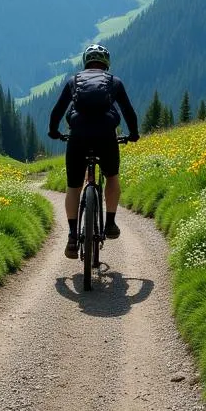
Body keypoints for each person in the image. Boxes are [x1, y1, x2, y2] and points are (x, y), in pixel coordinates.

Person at [47, 43, 139, 259]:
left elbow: (57, 111)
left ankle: (71, 236)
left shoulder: (74, 81)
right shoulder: (114, 82)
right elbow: (128, 112)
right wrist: (133, 134)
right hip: (106, 137)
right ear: (106, 63)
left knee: (73, 186)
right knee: (112, 176)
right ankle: (110, 223)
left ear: (85, 62)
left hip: (77, 137)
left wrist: (53, 132)